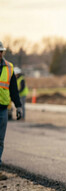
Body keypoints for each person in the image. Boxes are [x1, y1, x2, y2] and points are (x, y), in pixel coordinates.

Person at [0, 41, 22, 180]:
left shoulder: (9, 67)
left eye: (1, 51)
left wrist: (18, 106)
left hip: (3, 109)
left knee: (0, 140)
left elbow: (13, 89)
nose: (0, 53)